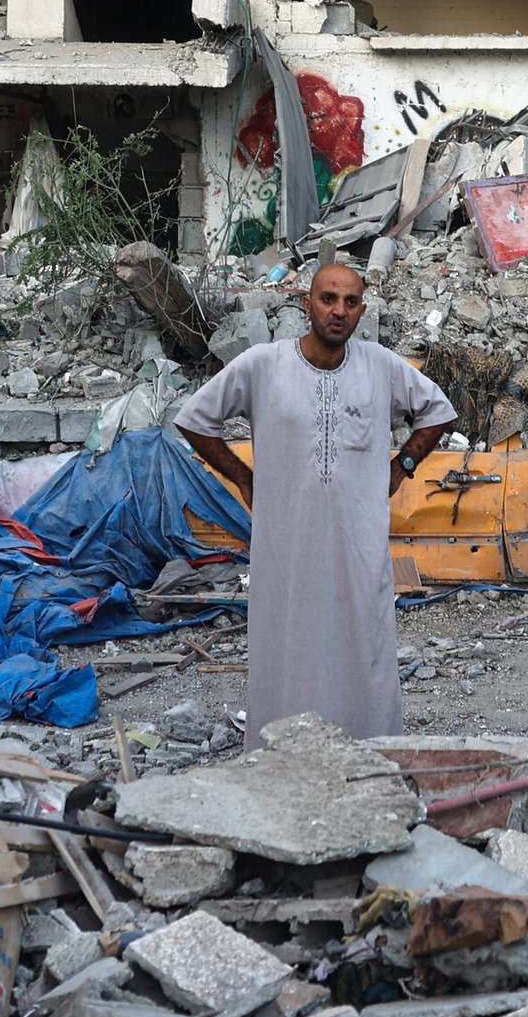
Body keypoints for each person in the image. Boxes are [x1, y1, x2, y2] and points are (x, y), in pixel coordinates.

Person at [174, 263, 456, 746]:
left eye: (350, 302)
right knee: (286, 646)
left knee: (362, 640)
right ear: (307, 304)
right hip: (286, 547)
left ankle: (368, 751)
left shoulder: (380, 366)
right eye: (328, 299)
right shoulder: (264, 365)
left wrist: (402, 466)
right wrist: (242, 476)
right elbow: (196, 418)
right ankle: (281, 755)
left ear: (362, 311)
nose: (339, 311)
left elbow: (437, 410)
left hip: (358, 545)